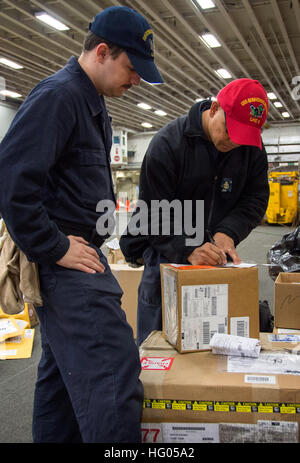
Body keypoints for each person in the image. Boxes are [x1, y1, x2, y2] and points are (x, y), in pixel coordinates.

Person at [0, 6, 163, 443]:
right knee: (113, 376)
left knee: (61, 388)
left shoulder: (93, 104)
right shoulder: (59, 96)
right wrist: (53, 246)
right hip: (69, 270)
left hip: (80, 258)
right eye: (132, 68)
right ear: (103, 51)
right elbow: (12, 181)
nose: (137, 80)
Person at [120, 78, 270, 346]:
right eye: (229, 130)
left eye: (243, 137)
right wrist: (188, 246)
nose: (235, 142)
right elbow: (152, 213)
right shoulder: (167, 145)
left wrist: (227, 233)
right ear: (213, 109)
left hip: (216, 260)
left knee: (211, 346)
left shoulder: (252, 149)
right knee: (156, 347)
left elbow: (255, 198)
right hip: (165, 257)